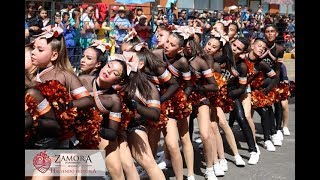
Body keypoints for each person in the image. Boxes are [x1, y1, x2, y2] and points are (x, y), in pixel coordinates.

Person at [31, 26, 94, 149]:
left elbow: (88, 100)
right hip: (36, 136)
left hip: (60, 140)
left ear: (54, 55)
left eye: (40, 50)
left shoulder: (63, 75)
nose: (33, 52)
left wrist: (67, 104)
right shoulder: (31, 72)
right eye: (33, 48)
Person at [108, 53, 166, 180]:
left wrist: (135, 106)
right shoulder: (113, 78)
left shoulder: (147, 86)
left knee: (148, 163)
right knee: (125, 166)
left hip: (134, 126)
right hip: (114, 129)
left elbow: (155, 114)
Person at [79, 60, 130, 180]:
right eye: (108, 66)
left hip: (100, 137)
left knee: (116, 171)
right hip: (76, 135)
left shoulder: (114, 100)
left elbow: (112, 133)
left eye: (114, 73)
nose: (108, 71)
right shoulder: (82, 80)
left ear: (117, 81)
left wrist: (93, 128)